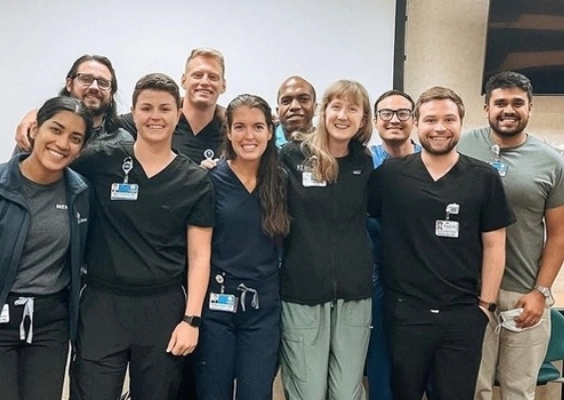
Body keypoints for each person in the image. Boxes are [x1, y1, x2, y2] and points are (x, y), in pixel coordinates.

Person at [69, 73, 215, 400]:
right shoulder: (100, 160)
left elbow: (200, 256)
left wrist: (191, 319)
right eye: (146, 108)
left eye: (164, 108)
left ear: (178, 113)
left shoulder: (195, 180)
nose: (155, 116)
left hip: (163, 308)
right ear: (132, 113)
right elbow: (53, 157)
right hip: (102, 304)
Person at [368, 86, 515, 400]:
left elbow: (495, 246)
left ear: (461, 124)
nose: (439, 128)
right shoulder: (390, 176)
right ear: (416, 125)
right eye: (430, 119)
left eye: (449, 119)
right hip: (406, 314)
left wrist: (484, 307)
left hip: (463, 316)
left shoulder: (484, 178)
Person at [457, 71, 564, 400]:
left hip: (523, 296)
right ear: (486, 107)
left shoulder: (551, 162)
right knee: (475, 388)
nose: (508, 109)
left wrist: (541, 292)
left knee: (519, 390)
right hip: (469, 292)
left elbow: (559, 234)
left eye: (517, 103)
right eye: (500, 102)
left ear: (530, 108)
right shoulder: (461, 147)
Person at [279, 79, 373, 400]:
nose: (343, 115)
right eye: (336, 106)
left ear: (363, 118)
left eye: (353, 108)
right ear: (323, 111)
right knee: (307, 392)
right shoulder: (291, 157)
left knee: (347, 393)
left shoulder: (364, 161)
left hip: (354, 296)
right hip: (302, 293)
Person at [194, 94, 290, 399]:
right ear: (229, 132)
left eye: (258, 127)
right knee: (213, 392)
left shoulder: (282, 181)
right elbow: (199, 251)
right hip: (217, 307)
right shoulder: (209, 179)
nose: (249, 136)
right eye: (240, 127)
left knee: (257, 393)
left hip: (263, 309)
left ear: (270, 130)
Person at [0, 96, 93, 400]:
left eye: (75, 138)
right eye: (56, 129)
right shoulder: (2, 184)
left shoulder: (80, 192)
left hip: (49, 323)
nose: (63, 143)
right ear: (35, 128)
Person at [366, 89, 420, 400]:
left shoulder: (432, 161)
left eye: (402, 113)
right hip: (377, 278)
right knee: (380, 364)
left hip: (423, 281)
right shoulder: (362, 161)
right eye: (386, 113)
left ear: (413, 120)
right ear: (375, 120)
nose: (394, 120)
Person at [120, 48, 226, 164]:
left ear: (223, 85)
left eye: (213, 77)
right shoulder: (147, 121)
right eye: (197, 75)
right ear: (183, 81)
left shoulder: (229, 133)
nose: (205, 82)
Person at [14, 55, 133, 149]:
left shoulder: (121, 140)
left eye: (103, 83)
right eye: (86, 79)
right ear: (69, 84)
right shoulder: (41, 130)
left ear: (112, 93)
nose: (94, 87)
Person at [275, 76, 316, 147]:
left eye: (304, 99)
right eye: (286, 101)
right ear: (277, 111)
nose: (294, 106)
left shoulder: (329, 142)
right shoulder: (264, 142)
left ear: (315, 108)